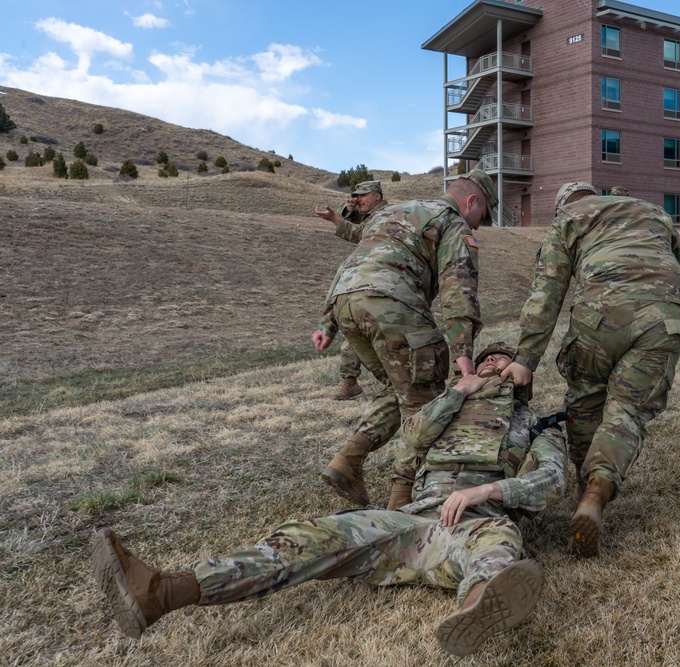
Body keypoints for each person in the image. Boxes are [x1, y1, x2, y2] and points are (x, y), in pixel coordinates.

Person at [91, 344, 566, 657]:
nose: (490, 363)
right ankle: (162, 592)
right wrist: (457, 392)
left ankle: (480, 602)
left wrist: (489, 490)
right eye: (484, 359)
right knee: (311, 535)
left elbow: (552, 479)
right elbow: (410, 442)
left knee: (498, 544)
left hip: (479, 520)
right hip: (411, 522)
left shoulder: (534, 421)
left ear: (520, 375)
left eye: (502, 361)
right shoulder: (449, 406)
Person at [500, 182, 680, 557]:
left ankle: (584, 488)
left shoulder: (568, 218)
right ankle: (596, 493)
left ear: (561, 205)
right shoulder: (650, 210)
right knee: (627, 411)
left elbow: (546, 291)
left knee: (585, 403)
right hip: (665, 317)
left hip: (600, 315)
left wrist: (526, 358)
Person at [312, 169, 498, 510]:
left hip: (346, 303)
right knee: (424, 401)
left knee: (400, 388)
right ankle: (403, 503)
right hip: (392, 303)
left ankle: (348, 460)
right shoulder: (452, 221)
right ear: (471, 201)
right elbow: (459, 289)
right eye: (481, 216)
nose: (477, 227)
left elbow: (352, 263)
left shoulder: (392, 211)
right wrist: (464, 358)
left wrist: (328, 323)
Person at [315, 181, 391, 399]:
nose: (358, 199)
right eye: (355, 195)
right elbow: (359, 223)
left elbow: (362, 234)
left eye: (362, 195)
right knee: (352, 325)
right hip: (366, 277)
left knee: (382, 331)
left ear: (377, 196)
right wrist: (347, 210)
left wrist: (335, 220)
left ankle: (395, 381)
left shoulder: (385, 214)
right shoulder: (372, 213)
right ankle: (350, 381)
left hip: (382, 277)